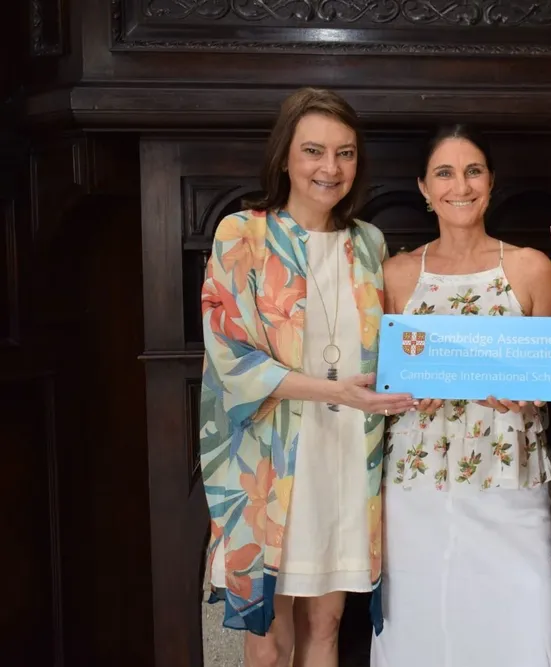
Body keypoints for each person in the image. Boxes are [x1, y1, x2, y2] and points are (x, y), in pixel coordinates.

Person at [200, 87, 415, 667]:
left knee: (327, 624)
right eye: (314, 151)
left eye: (345, 153)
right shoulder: (241, 233)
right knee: (268, 637)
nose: (330, 167)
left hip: (347, 455)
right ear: (286, 158)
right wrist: (335, 391)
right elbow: (232, 356)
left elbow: (391, 344)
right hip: (271, 461)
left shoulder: (368, 243)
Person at [370, 125, 551, 667]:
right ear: (424, 188)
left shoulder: (531, 267)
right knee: (420, 635)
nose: (461, 185)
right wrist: (404, 393)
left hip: (511, 483)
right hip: (416, 484)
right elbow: (382, 378)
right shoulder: (396, 275)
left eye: (473, 170)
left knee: (521, 633)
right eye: (445, 173)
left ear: (492, 182)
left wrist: (529, 395)